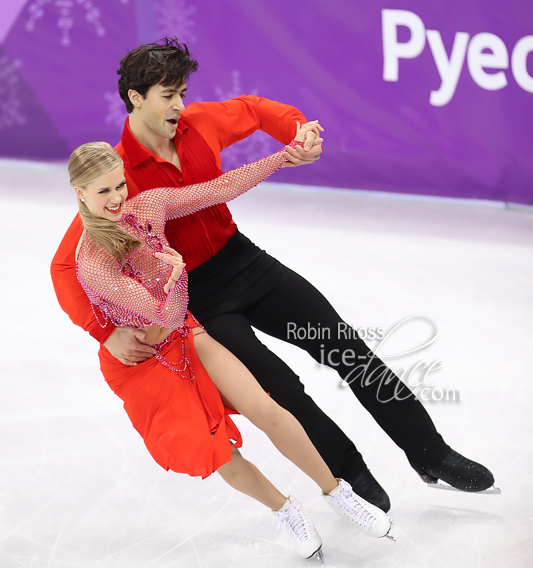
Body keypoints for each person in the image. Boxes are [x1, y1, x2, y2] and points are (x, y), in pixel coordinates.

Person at [51, 38, 496, 513]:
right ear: (136, 98)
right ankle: (349, 474)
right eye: (168, 95)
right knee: (281, 389)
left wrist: (298, 133)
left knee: (346, 346)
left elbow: (257, 109)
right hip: (199, 300)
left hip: (245, 263)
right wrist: (106, 331)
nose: (180, 104)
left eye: (182, 91)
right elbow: (65, 266)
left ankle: (431, 453)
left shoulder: (200, 124)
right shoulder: (116, 178)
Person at [67, 135, 394, 560]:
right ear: (80, 194)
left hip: (186, 334)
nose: (116, 199)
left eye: (119, 185)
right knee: (219, 451)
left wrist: (281, 158)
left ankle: (338, 493)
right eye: (103, 191)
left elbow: (218, 189)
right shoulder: (92, 262)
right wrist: (178, 271)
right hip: (145, 364)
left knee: (267, 408)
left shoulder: (146, 208)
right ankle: (286, 510)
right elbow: (162, 313)